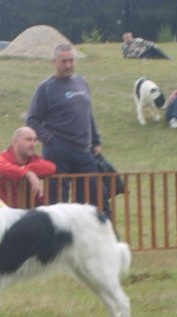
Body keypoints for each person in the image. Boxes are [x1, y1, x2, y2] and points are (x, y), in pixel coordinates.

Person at [27, 44, 122, 216]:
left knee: (95, 198)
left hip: (84, 151)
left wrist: (96, 140)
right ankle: (57, 241)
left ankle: (103, 239)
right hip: (58, 152)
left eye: (71, 60)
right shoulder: (46, 88)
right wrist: (50, 140)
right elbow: (32, 120)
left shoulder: (81, 82)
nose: (68, 65)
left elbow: (88, 112)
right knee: (57, 203)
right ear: (54, 62)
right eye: (64, 61)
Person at [0, 126, 56, 207]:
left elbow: (51, 167)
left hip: (26, 210)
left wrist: (24, 170)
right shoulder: (4, 157)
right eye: (28, 140)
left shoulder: (34, 159)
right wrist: (27, 174)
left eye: (35, 140)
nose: (33, 144)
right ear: (15, 142)